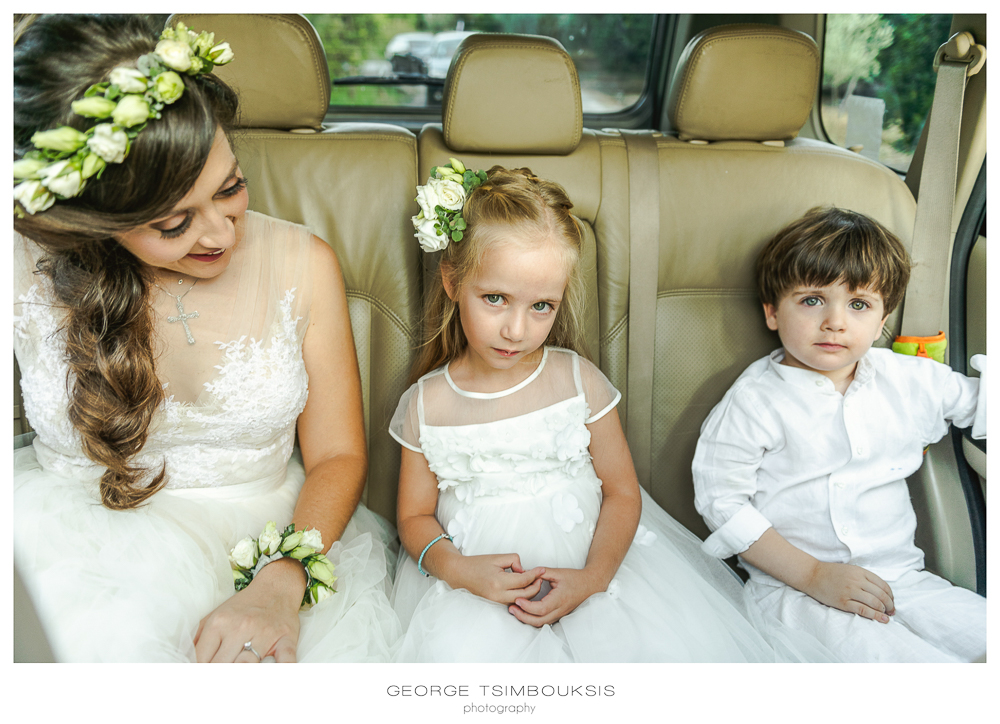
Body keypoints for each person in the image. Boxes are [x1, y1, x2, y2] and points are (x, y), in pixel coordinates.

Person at [13, 14, 400, 662]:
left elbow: (337, 456)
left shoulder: (304, 263)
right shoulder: (20, 256)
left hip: (267, 540)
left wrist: (283, 578)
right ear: (97, 217)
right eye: (174, 223)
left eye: (232, 188)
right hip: (64, 545)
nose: (220, 234)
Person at [388, 162, 831, 662]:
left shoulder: (576, 379)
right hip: (476, 585)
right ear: (452, 281)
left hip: (598, 568)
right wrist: (458, 569)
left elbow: (621, 491)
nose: (517, 329)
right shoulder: (427, 403)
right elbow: (414, 514)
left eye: (542, 307)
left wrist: (593, 579)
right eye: (495, 299)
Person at [692, 207, 987, 662]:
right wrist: (813, 575)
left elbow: (979, 403)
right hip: (798, 592)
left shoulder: (910, 379)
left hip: (904, 580)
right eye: (812, 301)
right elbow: (722, 501)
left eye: (859, 304)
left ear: (883, 317)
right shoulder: (755, 399)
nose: (835, 321)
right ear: (772, 312)